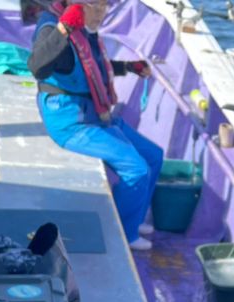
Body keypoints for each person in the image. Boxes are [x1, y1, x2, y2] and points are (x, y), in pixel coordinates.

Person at [28, 0, 163, 251]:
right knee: (137, 169)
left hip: (95, 115)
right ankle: (123, 235)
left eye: (104, 5)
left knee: (154, 157)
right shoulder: (52, 25)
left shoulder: (86, 31)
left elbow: (93, 68)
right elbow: (37, 66)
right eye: (93, 4)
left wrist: (129, 67)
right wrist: (63, 30)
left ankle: (133, 217)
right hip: (71, 122)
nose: (100, 12)